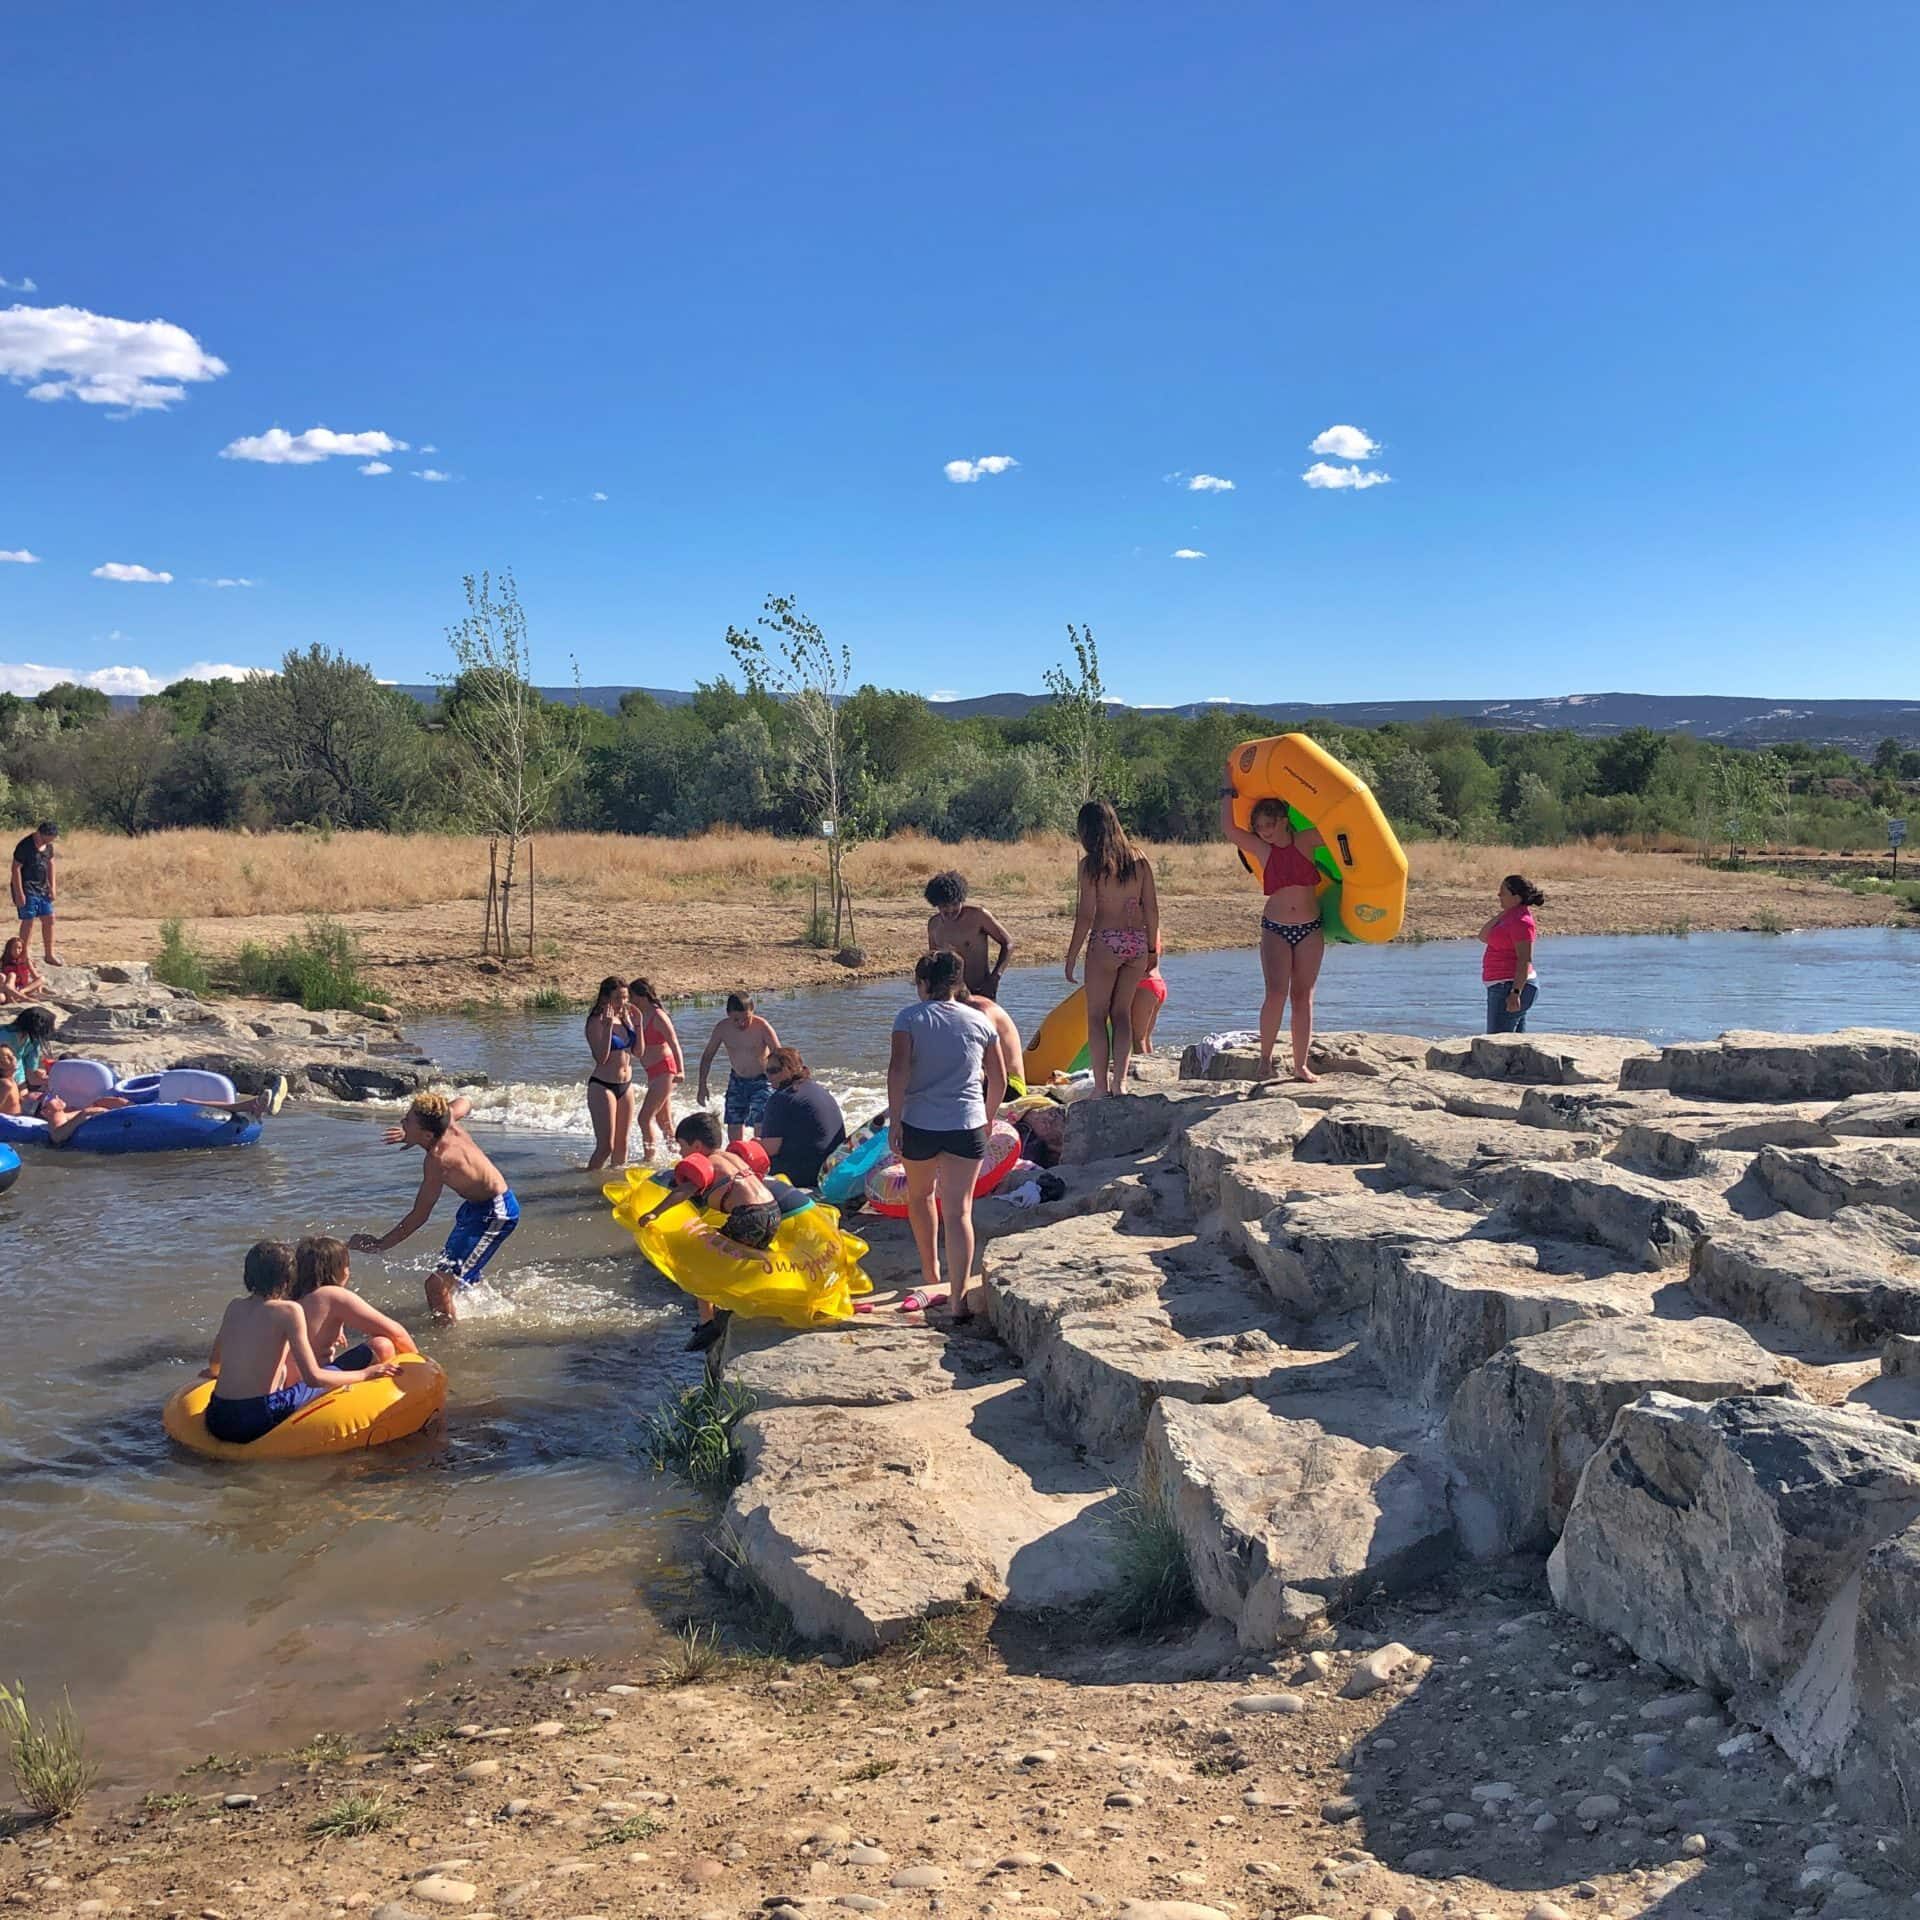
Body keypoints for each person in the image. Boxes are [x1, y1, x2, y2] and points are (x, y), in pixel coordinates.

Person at [887, 949, 1008, 1322]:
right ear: (957, 982)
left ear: (922, 984)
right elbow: (1000, 1079)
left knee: (921, 1196)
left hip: (920, 1123)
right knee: (960, 1212)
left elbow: (898, 1072)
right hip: (966, 1123)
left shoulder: (909, 1018)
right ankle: (957, 1299)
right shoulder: (980, 1020)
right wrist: (987, 1118)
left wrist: (894, 1121)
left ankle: (930, 1273)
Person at [200, 1240, 401, 1446]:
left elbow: (215, 1363)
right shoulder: (288, 1311)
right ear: (289, 1278)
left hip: (217, 1419)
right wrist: (366, 1374)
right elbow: (313, 1378)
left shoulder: (234, 1307)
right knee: (376, 1347)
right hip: (257, 1420)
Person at [351, 1090, 519, 1321]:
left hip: (496, 1213)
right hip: (475, 1209)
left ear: (428, 1135)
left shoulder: (438, 1161)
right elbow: (466, 1101)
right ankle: (488, 1310)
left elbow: (420, 1215)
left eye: (408, 1121)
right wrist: (412, 1134)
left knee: (435, 1286)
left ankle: (448, 1342)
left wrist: (381, 1244)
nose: (402, 1122)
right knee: (456, 1275)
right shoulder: (447, 1120)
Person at [630, 1109, 784, 1352]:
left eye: (682, 1147)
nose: (681, 1153)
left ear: (698, 1145)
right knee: (739, 1260)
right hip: (772, 1212)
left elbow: (684, 1191)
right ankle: (738, 1307)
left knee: (704, 1264)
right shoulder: (732, 1158)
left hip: (749, 1217)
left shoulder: (706, 1164)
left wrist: (655, 1212)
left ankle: (707, 1323)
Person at [1219, 764, 1327, 1082]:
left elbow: (1335, 825)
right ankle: (1264, 1060)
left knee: (1303, 995)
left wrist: (1305, 783)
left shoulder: (1306, 841)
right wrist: (1227, 789)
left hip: (1310, 927)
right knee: (1276, 993)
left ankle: (1299, 1065)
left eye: (1269, 824)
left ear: (1283, 820)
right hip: (1276, 928)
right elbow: (1230, 830)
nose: (1264, 831)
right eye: (1259, 826)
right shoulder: (1262, 849)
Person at [1064, 800, 1160, 1097]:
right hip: (1136, 943)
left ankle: (1102, 1087)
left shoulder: (1091, 865)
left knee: (1096, 1016)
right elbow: (1152, 909)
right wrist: (1152, 949)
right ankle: (1120, 1082)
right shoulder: (1139, 860)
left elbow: (1086, 915)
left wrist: (1071, 957)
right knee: (1121, 1014)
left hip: (1105, 942)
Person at [292, 1235, 417, 1369]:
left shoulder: (291, 1295)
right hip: (315, 1381)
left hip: (288, 1382)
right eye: (347, 1266)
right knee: (382, 1345)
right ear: (341, 1270)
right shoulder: (333, 1295)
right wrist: (421, 1366)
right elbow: (396, 1333)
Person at [757, 1046, 846, 1188]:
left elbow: (770, 1148)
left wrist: (752, 1145)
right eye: (766, 1071)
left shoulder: (781, 1098)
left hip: (804, 1176)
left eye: (773, 1071)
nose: (768, 1076)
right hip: (831, 1169)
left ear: (789, 1070)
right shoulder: (817, 1089)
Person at [697, 993, 781, 1142]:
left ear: (752, 1011)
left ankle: (762, 1159)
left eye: (746, 1018)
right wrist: (702, 1085)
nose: (742, 1023)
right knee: (734, 1124)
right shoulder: (722, 1028)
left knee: (760, 1124)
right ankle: (738, 1156)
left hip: (762, 1081)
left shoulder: (762, 1027)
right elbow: (707, 1057)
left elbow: (780, 1055)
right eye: (736, 1019)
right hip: (737, 1080)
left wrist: (782, 1084)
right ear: (728, 1014)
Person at [924, 871, 1014, 1000]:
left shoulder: (978, 916)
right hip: (951, 996)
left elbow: (1008, 944)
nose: (950, 910)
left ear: (961, 899)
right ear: (936, 904)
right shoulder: (934, 924)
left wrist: (995, 979)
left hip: (981, 992)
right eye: (944, 906)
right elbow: (933, 961)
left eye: (955, 904)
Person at [1480, 875, 1547, 1033]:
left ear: (1516, 898)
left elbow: (1524, 960)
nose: (1498, 895)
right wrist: (1504, 912)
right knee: (1512, 1043)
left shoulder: (1522, 922)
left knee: (1497, 1043)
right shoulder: (1510, 916)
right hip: (1503, 985)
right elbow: (1483, 936)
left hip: (1510, 986)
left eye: (1503, 892)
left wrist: (1515, 993)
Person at [585, 976, 638, 1172]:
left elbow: (638, 1052)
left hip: (626, 1085)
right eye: (617, 998)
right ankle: (587, 1181)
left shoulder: (624, 1018)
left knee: (622, 1144)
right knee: (606, 1147)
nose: (622, 1003)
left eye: (625, 997)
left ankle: (616, 1184)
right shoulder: (596, 1022)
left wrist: (636, 1024)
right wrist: (607, 1028)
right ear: (605, 999)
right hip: (603, 1085)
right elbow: (601, 1058)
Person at [629, 977, 683, 1160]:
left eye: (632, 997)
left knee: (644, 1118)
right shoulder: (637, 1015)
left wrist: (681, 1070)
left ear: (642, 996)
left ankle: (649, 1159)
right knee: (664, 1122)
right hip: (652, 1073)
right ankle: (677, 1155)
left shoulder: (657, 1016)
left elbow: (674, 1043)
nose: (630, 1001)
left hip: (665, 1070)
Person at [960, 982, 1027, 1095]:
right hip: (996, 1079)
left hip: (1012, 1085)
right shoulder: (972, 1006)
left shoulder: (980, 1012)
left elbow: (976, 1060)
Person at [9, 821, 60, 968]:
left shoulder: (49, 846)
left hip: (42, 887)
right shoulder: (25, 846)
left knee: (49, 918)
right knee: (29, 920)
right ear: (40, 833)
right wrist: (19, 893)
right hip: (27, 887)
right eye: (47, 838)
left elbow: (51, 863)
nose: (49, 842)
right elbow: (16, 869)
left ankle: (49, 954)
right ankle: (24, 955)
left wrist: (52, 887)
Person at [5, 1005, 54, 1092]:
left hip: (18, 1080)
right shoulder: (4, 1037)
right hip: (9, 1080)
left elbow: (32, 1077)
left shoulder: (34, 1042)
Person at [1132, 943, 1169, 1057]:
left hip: (1144, 985)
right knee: (1146, 1037)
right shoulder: (1153, 935)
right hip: (1157, 983)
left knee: (1138, 1038)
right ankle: (1153, 1068)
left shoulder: (1136, 936)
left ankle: (1142, 1071)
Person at [0, 935, 43, 1004]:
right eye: (14, 948)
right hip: (10, 989)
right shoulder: (4, 961)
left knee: (42, 978)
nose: (17, 950)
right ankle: (16, 998)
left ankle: (21, 994)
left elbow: (36, 977)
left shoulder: (26, 961)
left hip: (23, 988)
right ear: (9, 949)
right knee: (12, 975)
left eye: (19, 948)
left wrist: (39, 991)